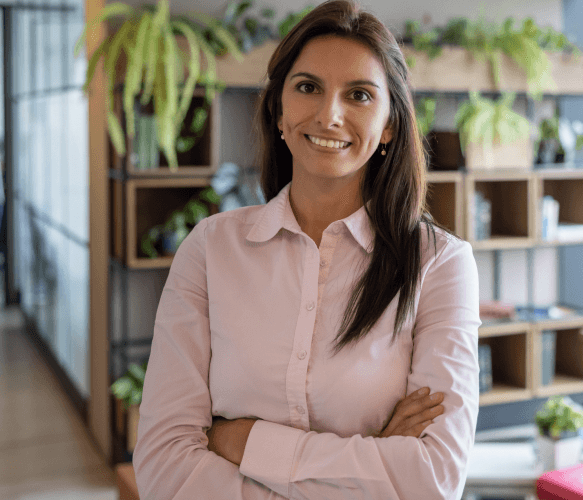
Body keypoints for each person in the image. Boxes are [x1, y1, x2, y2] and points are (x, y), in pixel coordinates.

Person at [132, 1, 481, 498]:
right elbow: (163, 466)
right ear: (278, 109)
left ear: (388, 126)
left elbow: (433, 477)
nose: (329, 114)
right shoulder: (210, 249)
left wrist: (245, 439)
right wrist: (375, 455)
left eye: (359, 95)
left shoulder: (440, 264)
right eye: (308, 87)